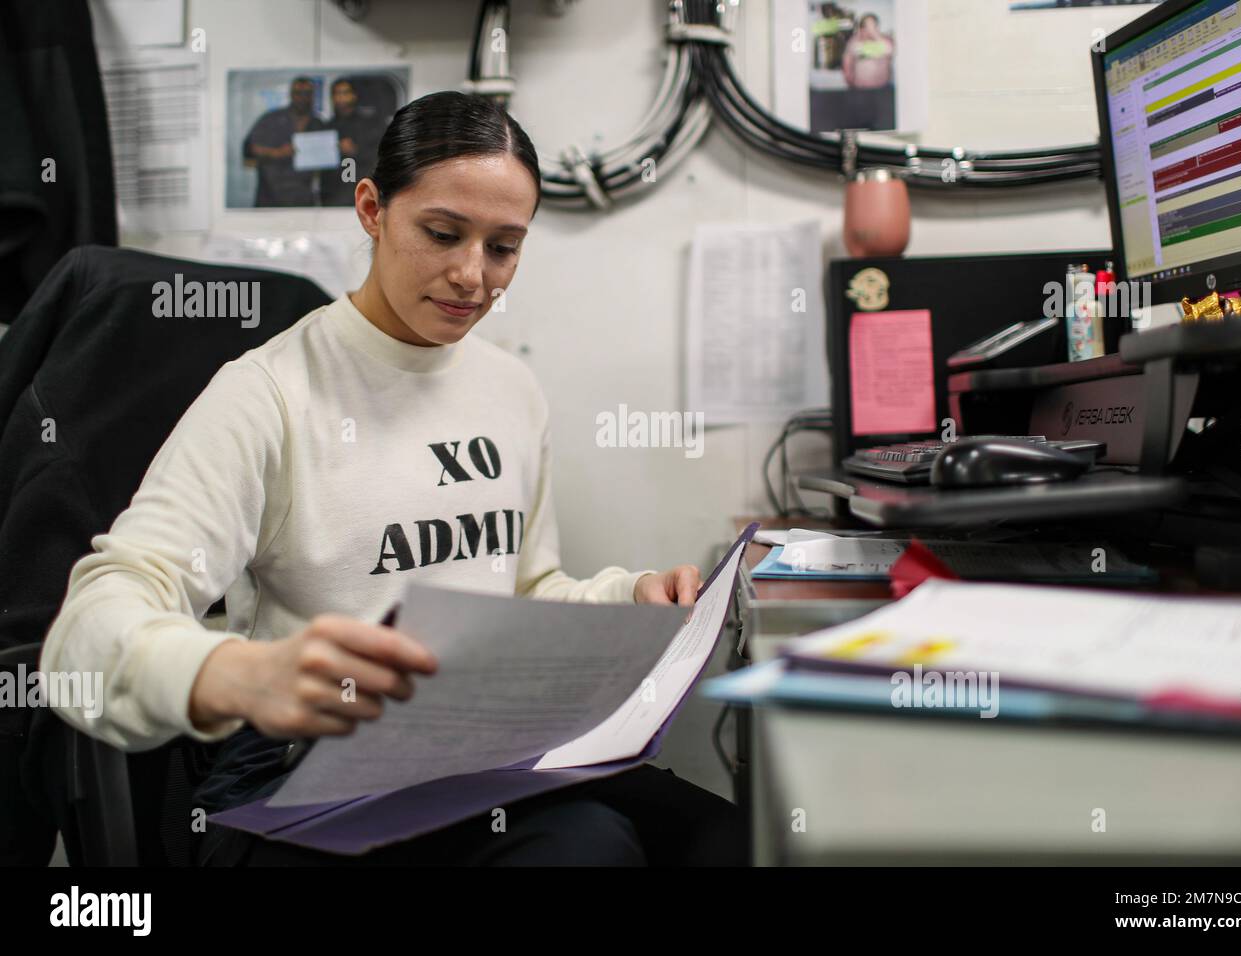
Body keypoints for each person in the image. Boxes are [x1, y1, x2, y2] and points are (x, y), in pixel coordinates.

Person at [39, 91, 746, 866]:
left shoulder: (511, 389)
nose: (472, 276)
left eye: (504, 247)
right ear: (372, 209)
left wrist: (625, 599)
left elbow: (526, 590)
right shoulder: (269, 393)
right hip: (308, 769)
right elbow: (87, 636)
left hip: (479, 746)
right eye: (442, 234)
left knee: (730, 838)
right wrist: (239, 672)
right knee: (582, 850)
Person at [241, 76, 326, 207]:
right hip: (270, 198)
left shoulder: (318, 124)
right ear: (291, 95)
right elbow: (248, 150)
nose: (303, 97)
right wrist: (276, 153)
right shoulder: (270, 119)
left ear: (313, 96)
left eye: (307, 93)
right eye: (298, 93)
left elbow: (327, 161)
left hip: (303, 200)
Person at [320, 77, 389, 207]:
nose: (341, 98)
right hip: (334, 195)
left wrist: (357, 152)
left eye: (345, 93)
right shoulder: (327, 127)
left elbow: (384, 154)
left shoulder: (372, 123)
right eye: (337, 94)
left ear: (354, 95)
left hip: (366, 190)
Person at [842, 12, 895, 90]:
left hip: (883, 88)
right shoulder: (854, 41)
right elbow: (847, 63)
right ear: (861, 27)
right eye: (866, 25)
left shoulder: (885, 40)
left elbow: (890, 49)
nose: (869, 29)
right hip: (859, 89)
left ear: (877, 26)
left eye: (873, 25)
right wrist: (850, 82)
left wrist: (875, 33)